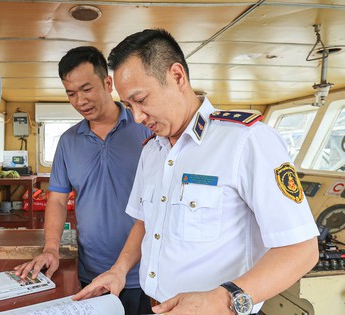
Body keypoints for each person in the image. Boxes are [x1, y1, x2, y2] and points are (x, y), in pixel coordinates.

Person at [73, 29, 319, 315]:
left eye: (141, 100)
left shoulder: (246, 140)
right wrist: (118, 270)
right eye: (129, 105)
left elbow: (302, 249)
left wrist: (225, 299)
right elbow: (144, 222)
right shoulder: (152, 150)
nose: (137, 116)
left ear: (177, 76)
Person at [13, 46, 153, 315]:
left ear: (108, 83)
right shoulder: (67, 142)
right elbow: (56, 200)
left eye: (87, 89)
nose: (80, 101)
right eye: (71, 93)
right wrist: (51, 249)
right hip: (92, 272)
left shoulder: (145, 129)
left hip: (143, 272)